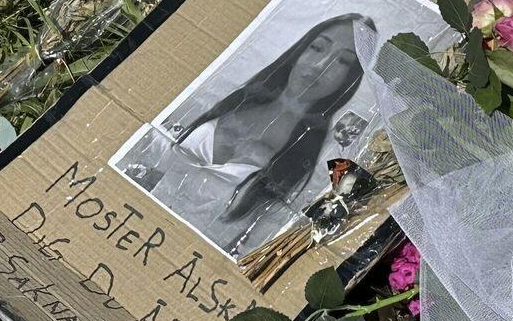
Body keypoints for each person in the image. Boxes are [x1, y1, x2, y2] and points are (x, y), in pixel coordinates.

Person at [126, 14, 369, 255]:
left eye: (342, 62)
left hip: (186, 255)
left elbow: (269, 241)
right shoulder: (224, 92)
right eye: (317, 47)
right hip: (127, 215)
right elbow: (141, 141)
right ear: (301, 49)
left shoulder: (319, 163)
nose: (319, 65)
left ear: (351, 79)